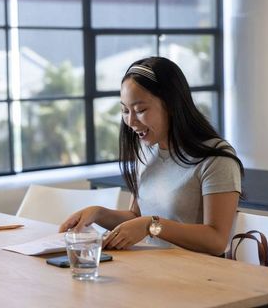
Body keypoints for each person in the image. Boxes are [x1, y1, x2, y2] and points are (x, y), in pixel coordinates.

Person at [59, 56, 244, 256]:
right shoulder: (146, 150)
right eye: (125, 110)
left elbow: (216, 240)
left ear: (172, 105)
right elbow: (136, 216)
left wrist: (152, 225)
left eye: (140, 110)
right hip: (150, 267)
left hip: (198, 276)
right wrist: (98, 213)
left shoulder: (216, 159)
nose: (130, 121)